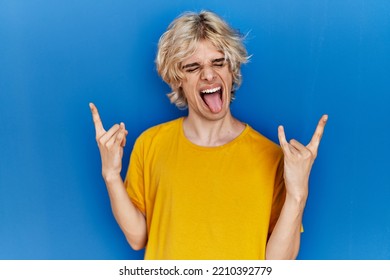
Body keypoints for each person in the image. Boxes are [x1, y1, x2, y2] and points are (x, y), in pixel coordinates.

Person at [89, 11, 327, 260]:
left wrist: (298, 193)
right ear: (177, 78)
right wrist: (111, 175)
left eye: (218, 62)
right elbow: (138, 238)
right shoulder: (150, 145)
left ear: (232, 69)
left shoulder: (272, 157)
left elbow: (278, 264)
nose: (209, 75)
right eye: (193, 67)